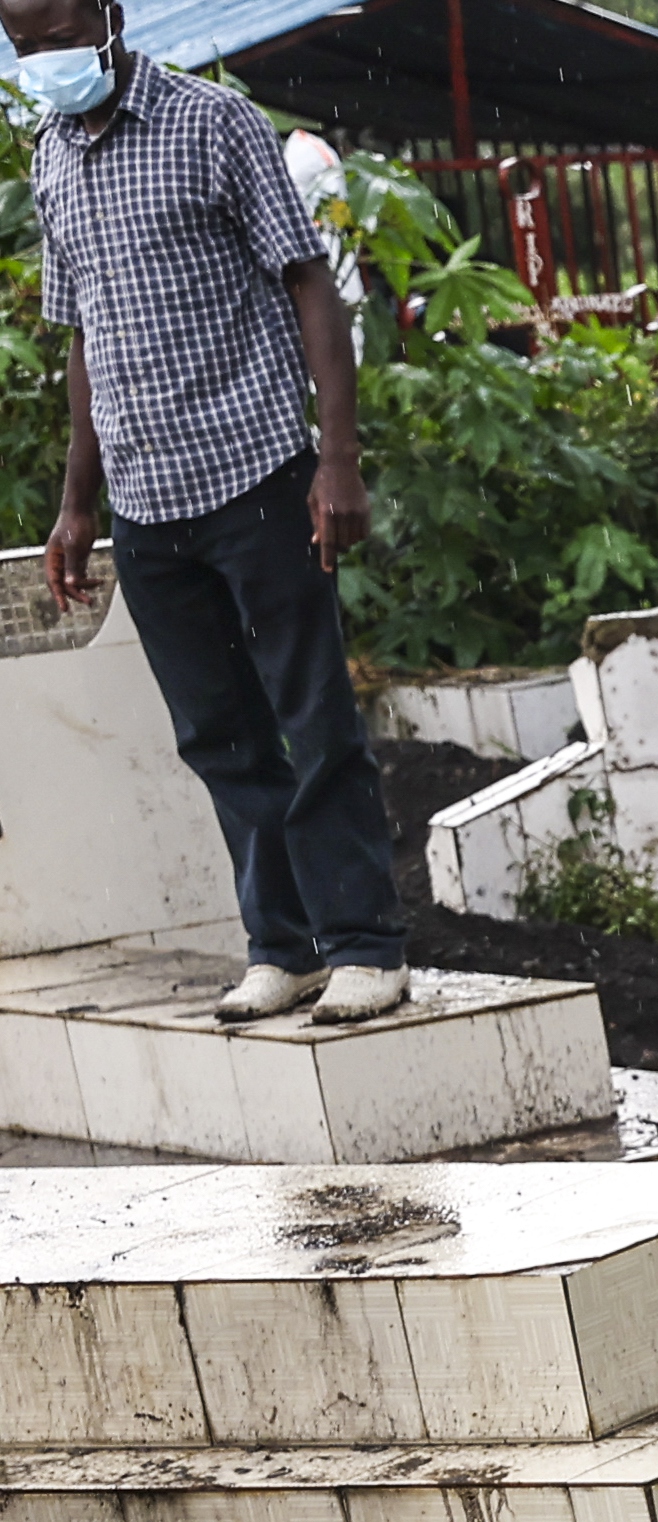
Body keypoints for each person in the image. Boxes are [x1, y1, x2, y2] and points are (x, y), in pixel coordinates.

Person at [15, 0, 408, 1028]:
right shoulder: (51, 156)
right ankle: (284, 949)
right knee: (218, 736)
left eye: (55, 33)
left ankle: (365, 945)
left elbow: (307, 283)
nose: (42, 58)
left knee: (311, 714)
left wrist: (339, 460)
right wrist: (74, 505)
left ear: (106, 18)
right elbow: (85, 337)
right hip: (146, 503)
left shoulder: (212, 123)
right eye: (20, 42)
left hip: (256, 471)